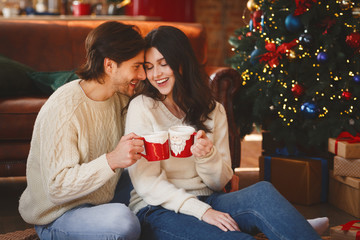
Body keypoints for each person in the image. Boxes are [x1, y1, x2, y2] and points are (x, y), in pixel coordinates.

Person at [124, 26, 328, 240]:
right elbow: (146, 182)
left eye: (164, 64)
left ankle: (296, 230)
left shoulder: (213, 110)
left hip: (210, 199)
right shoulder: (143, 107)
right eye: (149, 67)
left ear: (182, 63)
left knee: (262, 193)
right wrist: (202, 212)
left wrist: (207, 156)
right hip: (157, 209)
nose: (156, 74)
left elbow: (219, 181)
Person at [19, 21, 146, 240]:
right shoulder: (65, 106)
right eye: (136, 66)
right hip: (59, 214)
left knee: (155, 188)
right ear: (109, 66)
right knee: (123, 223)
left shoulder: (120, 98)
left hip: (102, 198)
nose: (143, 74)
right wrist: (112, 160)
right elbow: (57, 188)